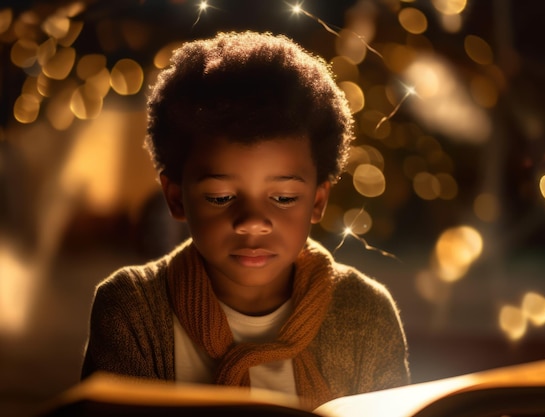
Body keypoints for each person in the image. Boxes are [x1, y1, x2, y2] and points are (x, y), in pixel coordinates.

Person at [81, 30, 410, 410]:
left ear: (318, 202)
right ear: (176, 198)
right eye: (221, 198)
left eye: (284, 198)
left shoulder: (365, 313)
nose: (253, 222)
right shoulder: (130, 309)